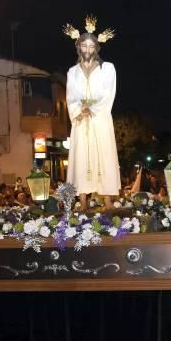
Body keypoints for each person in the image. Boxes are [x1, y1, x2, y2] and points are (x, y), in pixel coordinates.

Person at [64, 16, 121, 210]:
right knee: (81, 158)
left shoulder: (108, 69)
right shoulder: (72, 72)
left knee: (103, 155)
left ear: (96, 48)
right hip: (81, 121)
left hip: (100, 119)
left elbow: (108, 93)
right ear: (78, 47)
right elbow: (70, 96)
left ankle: (107, 200)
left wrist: (93, 109)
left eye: (91, 46)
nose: (87, 49)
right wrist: (79, 110)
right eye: (84, 46)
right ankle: (82, 201)